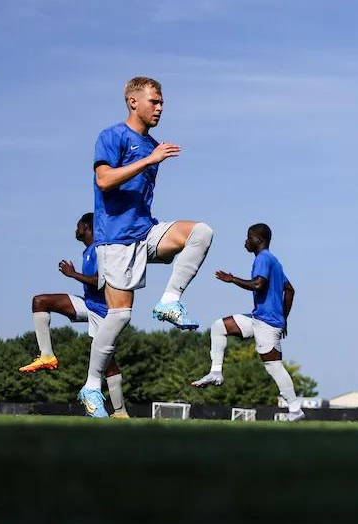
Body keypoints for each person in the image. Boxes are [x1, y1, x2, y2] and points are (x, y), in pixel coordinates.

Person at [79, 76, 214, 417]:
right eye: (154, 101)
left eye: (162, 102)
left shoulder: (151, 145)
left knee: (200, 232)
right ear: (133, 101)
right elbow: (104, 180)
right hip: (116, 239)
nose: (160, 107)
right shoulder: (112, 136)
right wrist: (148, 160)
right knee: (120, 315)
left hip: (146, 232)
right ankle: (92, 385)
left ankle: (170, 300)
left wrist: (151, 157)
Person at [190, 224, 304, 422]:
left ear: (259, 240)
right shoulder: (274, 261)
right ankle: (216, 372)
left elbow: (259, 284)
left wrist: (231, 279)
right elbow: (290, 290)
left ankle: (295, 410)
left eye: (248, 238)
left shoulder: (263, 258)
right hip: (259, 318)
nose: (245, 241)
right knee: (219, 326)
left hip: (267, 323)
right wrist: (284, 318)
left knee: (273, 366)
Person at [20, 213, 128, 418]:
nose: (75, 229)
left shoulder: (100, 249)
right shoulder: (88, 251)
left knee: (108, 363)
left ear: (87, 227)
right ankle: (47, 356)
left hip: (104, 312)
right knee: (40, 301)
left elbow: (100, 281)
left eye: (78, 225)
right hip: (89, 304)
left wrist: (73, 274)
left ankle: (120, 412)